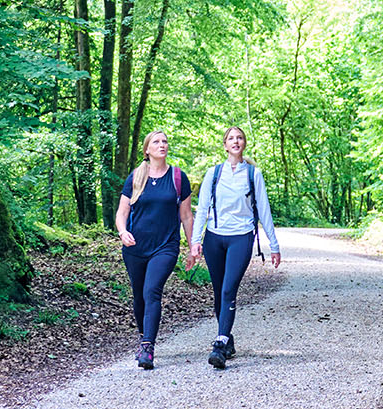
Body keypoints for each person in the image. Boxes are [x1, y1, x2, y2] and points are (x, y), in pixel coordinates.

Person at [190, 126, 281, 369]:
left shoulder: (253, 174)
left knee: (229, 289)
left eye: (239, 138)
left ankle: (219, 344)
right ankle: (227, 338)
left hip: (241, 237)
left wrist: (274, 245)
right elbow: (202, 209)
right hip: (214, 238)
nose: (235, 141)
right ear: (225, 144)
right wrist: (195, 241)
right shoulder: (214, 173)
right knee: (219, 291)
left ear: (244, 143)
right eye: (231, 138)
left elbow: (264, 210)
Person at [116, 128, 194, 370]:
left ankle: (148, 346)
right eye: (157, 142)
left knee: (152, 291)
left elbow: (186, 216)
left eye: (165, 141)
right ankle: (143, 337)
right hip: (135, 247)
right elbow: (122, 213)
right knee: (139, 295)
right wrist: (122, 231)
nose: (162, 145)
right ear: (147, 149)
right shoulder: (136, 177)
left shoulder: (178, 178)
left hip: (165, 247)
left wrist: (193, 247)